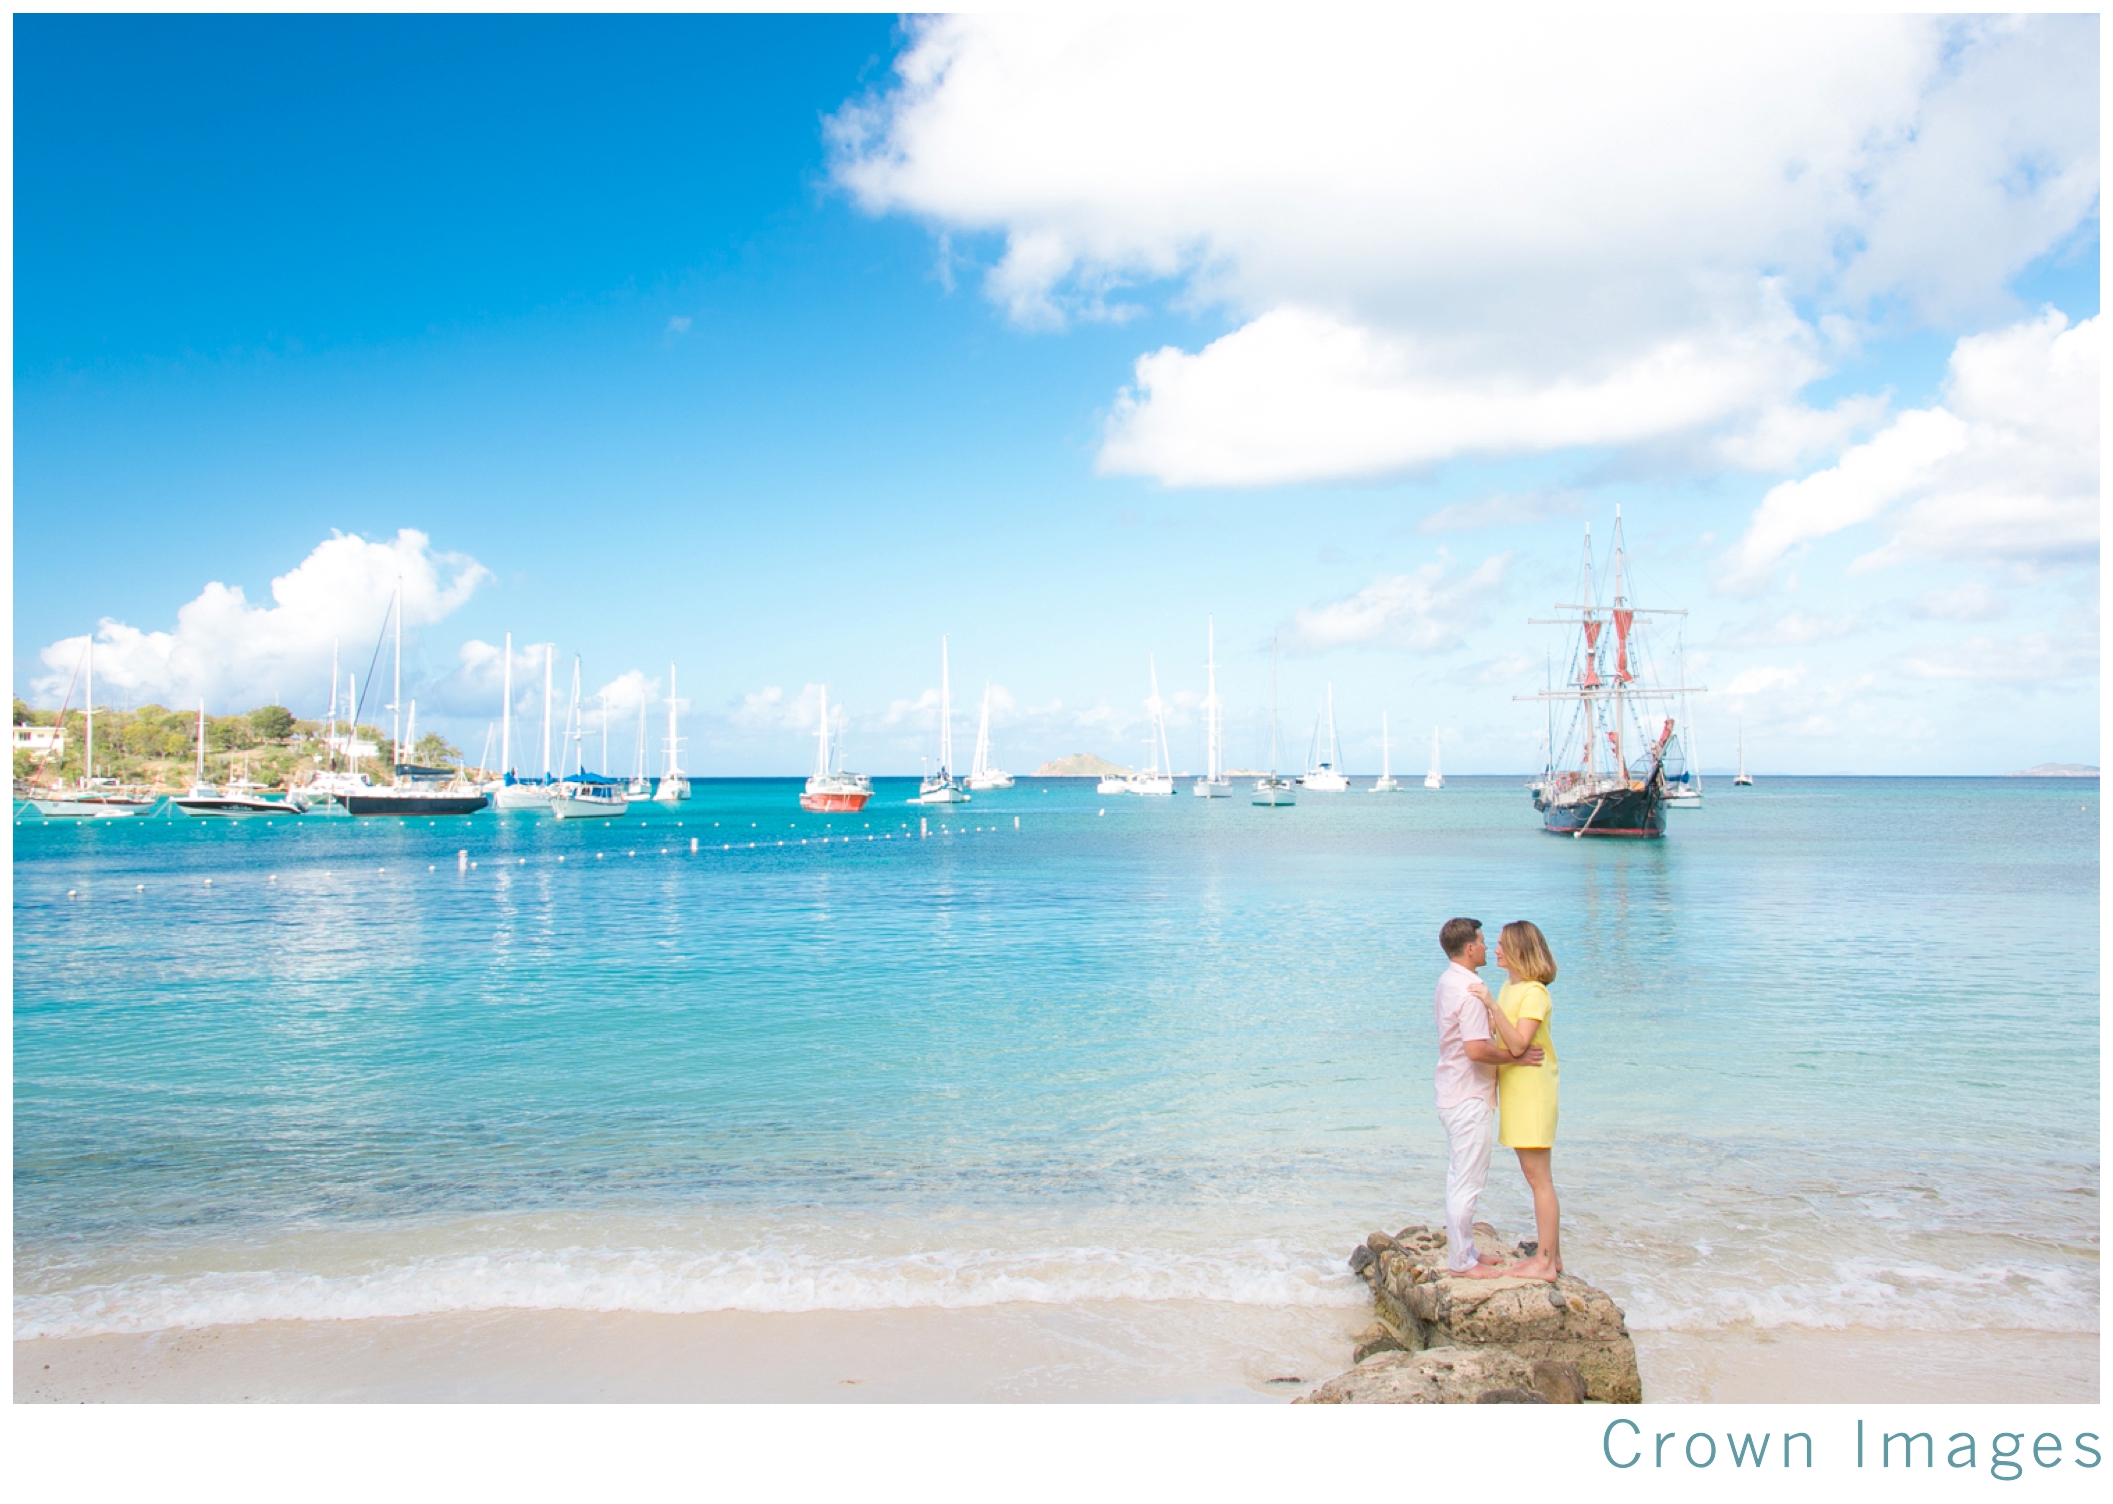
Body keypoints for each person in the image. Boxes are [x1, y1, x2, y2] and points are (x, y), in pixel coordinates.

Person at [1432, 917, 1543, 1279]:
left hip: (1451, 1090)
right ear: (1469, 948)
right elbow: (1477, 1050)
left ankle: (1465, 1250)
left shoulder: (1448, 980)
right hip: (1469, 1095)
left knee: (1458, 1175)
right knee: (1468, 1180)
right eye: (1482, 942)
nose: (1487, 948)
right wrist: (1516, 1057)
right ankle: (1460, 1264)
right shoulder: (1471, 988)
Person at [1473, 920, 1562, 1282]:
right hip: (1516, 1091)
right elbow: (1502, 1043)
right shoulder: (1510, 988)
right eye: (1493, 944)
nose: (1494, 950)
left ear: (1519, 951)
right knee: (1534, 1176)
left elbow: (1519, 1044)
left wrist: (1492, 1007)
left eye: (1501, 946)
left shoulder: (1534, 993)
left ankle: (1544, 1262)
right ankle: (1551, 1258)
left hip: (1533, 1092)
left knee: (1538, 1178)